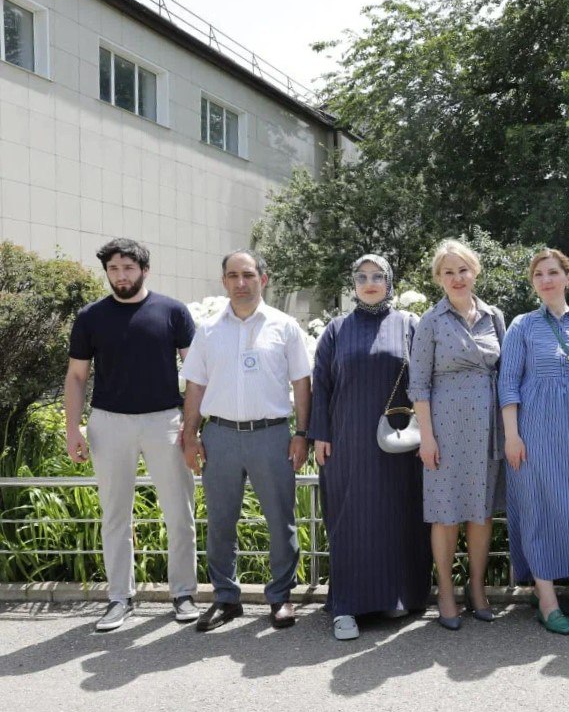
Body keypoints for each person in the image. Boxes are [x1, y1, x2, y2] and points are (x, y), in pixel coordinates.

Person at [64, 238, 199, 631]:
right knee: (115, 515)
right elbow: (76, 376)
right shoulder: (90, 317)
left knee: (179, 512)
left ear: (144, 270)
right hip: (109, 423)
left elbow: (195, 374)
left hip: (164, 421)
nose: (120, 275)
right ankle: (119, 599)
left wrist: (192, 427)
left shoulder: (172, 311)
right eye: (113, 269)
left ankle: (183, 594)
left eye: (128, 268)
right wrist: (73, 429)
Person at [180, 250, 312, 632]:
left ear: (263, 279)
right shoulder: (208, 330)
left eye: (249, 275)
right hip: (219, 435)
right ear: (224, 281)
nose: (241, 283)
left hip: (271, 435)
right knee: (220, 521)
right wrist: (190, 436)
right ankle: (225, 598)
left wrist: (302, 434)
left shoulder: (285, 327)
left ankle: (280, 597)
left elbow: (302, 383)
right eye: (233, 275)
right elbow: (195, 386)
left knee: (280, 520)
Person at [308, 254, 432, 640]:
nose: (369, 283)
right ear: (353, 284)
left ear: (389, 281)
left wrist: (429, 434)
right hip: (347, 443)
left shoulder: (409, 324)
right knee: (351, 520)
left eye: (378, 276)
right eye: (361, 277)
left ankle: (397, 596)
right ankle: (346, 606)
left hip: (399, 444)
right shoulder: (337, 329)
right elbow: (321, 384)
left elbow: (425, 381)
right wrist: (320, 435)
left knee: (398, 515)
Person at [498, 249, 569, 635]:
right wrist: (512, 436)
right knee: (536, 510)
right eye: (538, 274)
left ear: (567, 277)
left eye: (552, 272)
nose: (546, 280)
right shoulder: (522, 325)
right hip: (532, 437)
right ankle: (547, 600)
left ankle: (548, 590)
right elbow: (508, 384)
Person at [410, 240, 505, 631]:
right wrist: (427, 437)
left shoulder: (494, 316)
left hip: (488, 428)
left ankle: (477, 588)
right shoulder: (430, 321)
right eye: (448, 272)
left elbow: (506, 373)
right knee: (445, 514)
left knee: (481, 512)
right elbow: (419, 385)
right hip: (445, 431)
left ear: (475, 271)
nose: (457, 278)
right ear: (438, 278)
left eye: (463, 269)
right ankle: (446, 591)